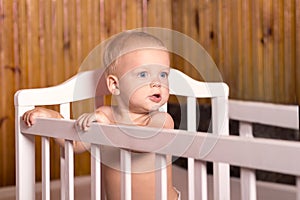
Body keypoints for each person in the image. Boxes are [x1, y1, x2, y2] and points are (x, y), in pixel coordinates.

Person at [23, 31, 180, 200]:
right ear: (114, 84)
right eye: (143, 74)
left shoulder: (161, 120)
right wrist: (52, 118)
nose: (157, 82)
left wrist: (107, 127)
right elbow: (75, 143)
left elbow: (143, 142)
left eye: (163, 74)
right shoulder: (105, 114)